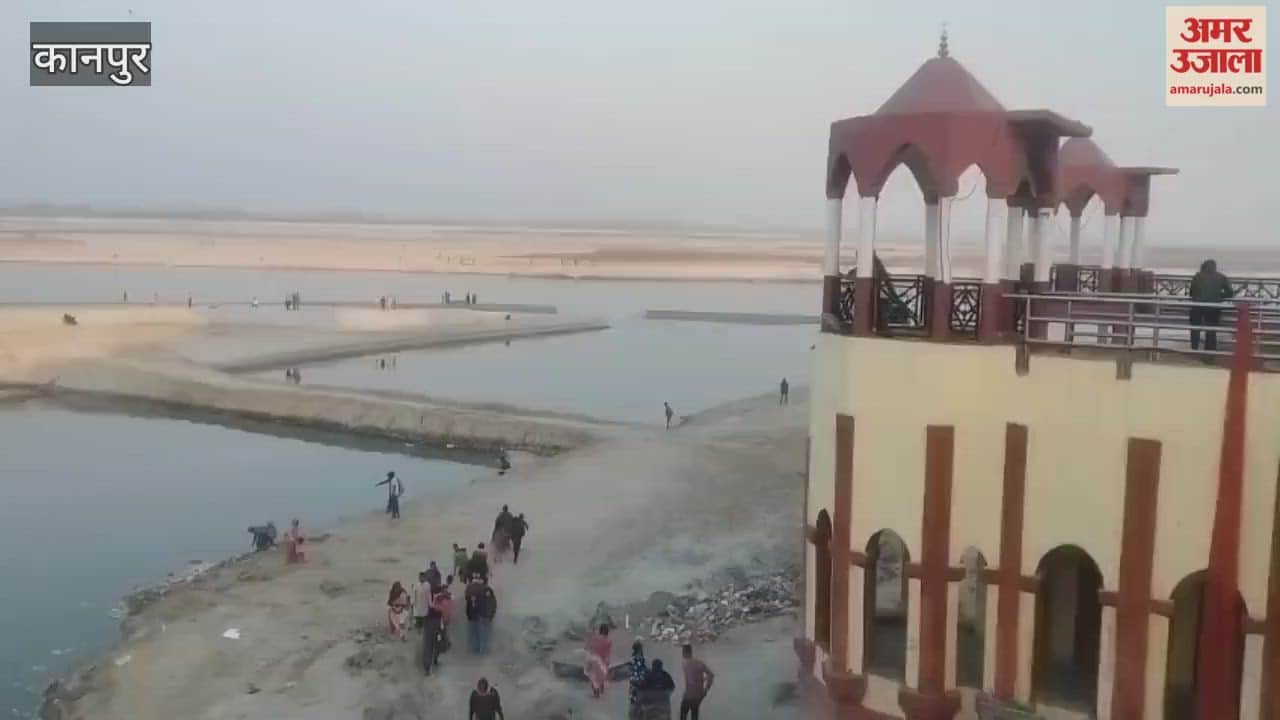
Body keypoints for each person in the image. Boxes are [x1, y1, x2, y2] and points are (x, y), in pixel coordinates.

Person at [1189, 258, 1233, 352]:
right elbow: (1230, 293)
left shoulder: (1197, 276)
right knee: (1211, 331)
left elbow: (1191, 292)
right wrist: (1219, 296)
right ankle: (1209, 352)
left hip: (1197, 306)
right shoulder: (1221, 277)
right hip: (1214, 306)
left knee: (1195, 329)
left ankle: (1194, 349)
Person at [679, 644, 714, 720]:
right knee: (694, 714)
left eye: (683, 652)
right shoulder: (699, 663)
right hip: (698, 694)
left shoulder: (685, 664)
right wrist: (706, 690)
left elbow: (689, 680)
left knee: (683, 715)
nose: (682, 654)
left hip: (689, 694)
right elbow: (711, 675)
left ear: (686, 652)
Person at [585, 624, 612, 699]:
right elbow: (608, 654)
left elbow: (588, 647)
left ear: (600, 631)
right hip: (602, 661)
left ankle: (596, 693)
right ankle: (601, 689)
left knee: (593, 678)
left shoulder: (595, 638)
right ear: (607, 632)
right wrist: (608, 663)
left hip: (593, 659)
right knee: (601, 676)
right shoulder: (608, 641)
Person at [628, 640, 648, 719]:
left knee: (634, 702)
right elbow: (644, 671)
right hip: (639, 684)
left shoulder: (632, 659)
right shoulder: (641, 659)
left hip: (634, 684)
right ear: (640, 649)